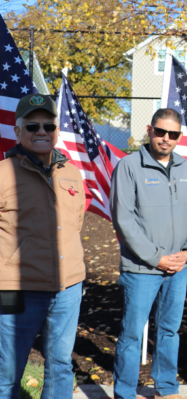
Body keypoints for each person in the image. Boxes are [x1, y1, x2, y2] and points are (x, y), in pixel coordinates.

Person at [110, 108, 187, 399]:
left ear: (179, 137)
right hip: (142, 270)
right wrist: (157, 258)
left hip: (178, 268)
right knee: (132, 334)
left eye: (172, 134)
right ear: (149, 130)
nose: (166, 138)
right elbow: (124, 221)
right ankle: (125, 392)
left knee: (169, 331)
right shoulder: (128, 167)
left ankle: (166, 387)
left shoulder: (186, 169)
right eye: (160, 132)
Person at [0, 94, 86, 399]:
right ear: (18, 130)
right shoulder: (2, 174)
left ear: (56, 131)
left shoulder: (72, 173)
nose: (41, 131)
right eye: (33, 125)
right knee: (7, 374)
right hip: (18, 290)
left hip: (67, 290)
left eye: (48, 125)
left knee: (61, 366)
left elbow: (76, 223)